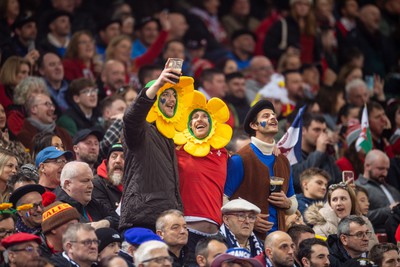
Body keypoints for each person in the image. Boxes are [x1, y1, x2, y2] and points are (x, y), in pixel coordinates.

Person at [119, 60, 192, 232]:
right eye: (165, 94)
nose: (172, 99)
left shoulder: (170, 135)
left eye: (174, 95)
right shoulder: (142, 130)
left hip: (166, 222)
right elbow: (131, 117)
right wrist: (158, 83)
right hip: (141, 221)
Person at [224, 100, 297, 239]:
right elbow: (223, 199)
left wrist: (287, 203)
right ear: (254, 125)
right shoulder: (240, 159)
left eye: (274, 115)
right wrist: (247, 219)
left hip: (278, 240)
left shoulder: (283, 161)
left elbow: (293, 202)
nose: (272, 118)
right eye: (265, 116)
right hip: (248, 240)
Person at [304, 182, 378, 248]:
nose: (339, 203)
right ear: (330, 205)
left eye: (343, 199)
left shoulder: (365, 222)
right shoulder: (320, 227)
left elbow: (374, 249)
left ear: (352, 202)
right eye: (334, 200)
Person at [56, 161, 119, 230]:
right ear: (67, 184)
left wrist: (105, 223)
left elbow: (118, 220)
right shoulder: (57, 208)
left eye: (91, 181)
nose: (91, 186)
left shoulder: (93, 202)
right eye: (85, 181)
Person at [292, 113, 341, 193]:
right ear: (303, 130)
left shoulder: (326, 155)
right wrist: (319, 151)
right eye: (317, 130)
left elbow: (338, 180)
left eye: (324, 131)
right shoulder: (292, 154)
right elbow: (298, 180)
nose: (322, 135)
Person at [355, 149, 400, 232]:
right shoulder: (357, 187)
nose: (385, 173)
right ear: (367, 166)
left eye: (387, 169)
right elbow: (359, 216)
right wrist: (390, 210)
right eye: (381, 169)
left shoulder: (392, 188)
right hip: (379, 236)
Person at [93, 143, 124, 213]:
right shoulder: (96, 184)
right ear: (107, 162)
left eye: (123, 157)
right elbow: (108, 215)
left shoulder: (135, 184)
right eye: (114, 156)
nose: (118, 161)